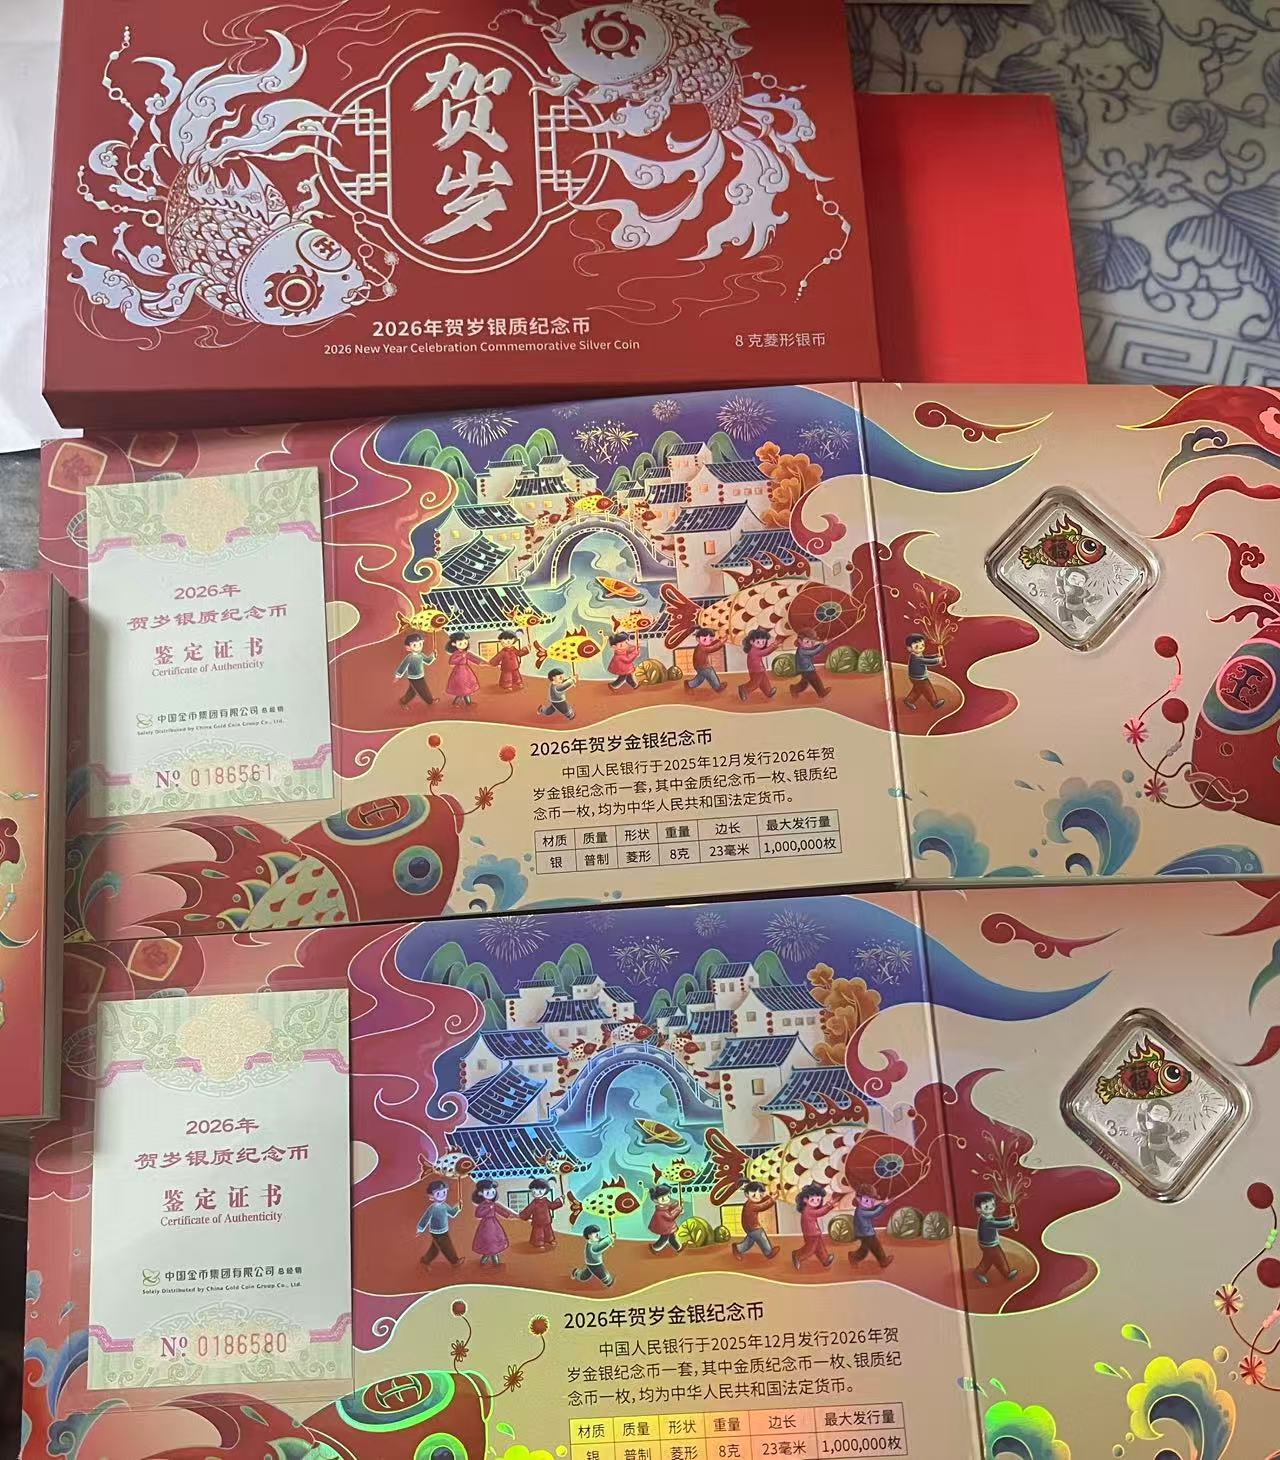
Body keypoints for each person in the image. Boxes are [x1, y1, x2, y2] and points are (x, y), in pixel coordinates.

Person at [973, 1191, 1020, 1285]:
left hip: (989, 1244)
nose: (990, 1207)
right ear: (978, 1209)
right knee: (998, 1256)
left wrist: (1008, 1217)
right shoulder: (986, 1221)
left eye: (992, 1204)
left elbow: (996, 1220)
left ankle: (979, 1272)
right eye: (986, 1206)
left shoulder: (987, 1217)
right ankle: (1006, 1274)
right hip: (989, 1245)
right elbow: (997, 1224)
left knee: (989, 1259)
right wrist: (1010, 1222)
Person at [471, 1179, 518, 1268]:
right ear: (480, 1193)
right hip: (486, 1226)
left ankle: (494, 1261)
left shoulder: (493, 1204)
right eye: (488, 1192)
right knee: (489, 1242)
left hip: (494, 1224)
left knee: (495, 1241)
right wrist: (489, 1208)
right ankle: (487, 1261)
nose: (491, 1194)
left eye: (493, 1192)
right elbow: (478, 1214)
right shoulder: (482, 1205)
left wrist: (508, 1216)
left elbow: (500, 1211)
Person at [1135, 1101, 1189, 1178]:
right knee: (1147, 1157)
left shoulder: (1167, 1127)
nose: (1161, 1116)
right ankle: (1151, 1168)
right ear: (1149, 1113)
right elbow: (1141, 1122)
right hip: (1146, 1145)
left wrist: (1179, 1136)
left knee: (1166, 1154)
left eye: (1165, 1114)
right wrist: (1142, 1111)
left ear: (1168, 1118)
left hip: (1161, 1145)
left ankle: (1173, 1161)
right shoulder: (1147, 1124)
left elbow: (1173, 1134)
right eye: (1157, 1111)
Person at [416, 1178, 462, 1269]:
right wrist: (420, 1228)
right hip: (436, 1232)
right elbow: (426, 1218)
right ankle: (455, 1261)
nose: (442, 1195)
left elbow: (452, 1213)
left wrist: (458, 1207)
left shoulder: (445, 1205)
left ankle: (425, 1261)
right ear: (431, 1196)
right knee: (447, 1246)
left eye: (444, 1192)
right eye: (438, 1193)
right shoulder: (432, 1208)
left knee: (435, 1248)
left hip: (444, 1230)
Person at [792, 1182, 838, 1269]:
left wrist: (830, 1204)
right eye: (813, 1200)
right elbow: (820, 1212)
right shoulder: (808, 1211)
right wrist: (829, 1206)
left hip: (815, 1232)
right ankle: (797, 1255)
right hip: (811, 1234)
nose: (816, 1202)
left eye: (818, 1200)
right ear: (805, 1200)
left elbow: (820, 1210)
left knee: (819, 1247)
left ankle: (825, 1260)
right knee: (810, 1249)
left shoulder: (810, 1208)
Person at [848, 1185, 893, 1269]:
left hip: (864, 1233)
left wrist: (883, 1203)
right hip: (866, 1234)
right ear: (858, 1199)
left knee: (865, 1249)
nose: (870, 1203)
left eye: (872, 1201)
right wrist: (883, 1205)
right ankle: (883, 1261)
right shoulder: (861, 1212)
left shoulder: (862, 1208)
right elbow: (874, 1213)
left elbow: (874, 1208)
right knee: (876, 1247)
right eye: (867, 1200)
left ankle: (853, 1256)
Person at [733, 1179, 777, 1260]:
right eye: (754, 1194)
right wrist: (772, 1200)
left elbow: (761, 1201)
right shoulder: (751, 1205)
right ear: (746, 1194)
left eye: (760, 1194)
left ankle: (738, 1248)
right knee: (761, 1237)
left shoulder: (751, 1202)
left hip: (749, 1227)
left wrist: (769, 1197)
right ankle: (768, 1253)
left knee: (749, 1241)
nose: (757, 1196)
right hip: (753, 1227)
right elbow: (762, 1206)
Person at [903, 633, 945, 711]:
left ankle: (908, 701)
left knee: (917, 690)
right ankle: (934, 703)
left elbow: (925, 658)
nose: (921, 647)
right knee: (928, 689)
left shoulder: (917, 655)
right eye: (917, 646)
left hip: (916, 677)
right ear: (909, 648)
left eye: (922, 645)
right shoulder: (916, 658)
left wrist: (935, 656)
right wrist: (937, 660)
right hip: (919, 678)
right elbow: (927, 661)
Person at [394, 632, 435, 708]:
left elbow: (428, 661)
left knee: (413, 691)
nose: (418, 647)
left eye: (420, 644)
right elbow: (403, 666)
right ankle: (430, 701)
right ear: (408, 648)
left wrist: (433, 656)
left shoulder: (421, 655)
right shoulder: (409, 657)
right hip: (413, 677)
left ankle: (403, 701)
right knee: (423, 689)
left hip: (420, 676)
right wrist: (398, 675)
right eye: (415, 645)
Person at [521, 1177, 563, 1250]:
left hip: (546, 1220)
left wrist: (560, 1200)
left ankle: (549, 1240)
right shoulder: (534, 1203)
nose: (536, 1193)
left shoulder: (546, 1201)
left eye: (540, 1191)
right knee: (538, 1233)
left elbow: (552, 1206)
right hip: (538, 1221)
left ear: (545, 1190)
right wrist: (523, 1215)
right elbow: (528, 1210)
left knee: (548, 1231)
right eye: (534, 1191)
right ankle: (538, 1243)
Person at [445, 632, 486, 708]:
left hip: (467, 672)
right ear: (454, 644)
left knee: (467, 689)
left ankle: (468, 703)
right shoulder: (455, 653)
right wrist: (461, 657)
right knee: (461, 690)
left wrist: (481, 663)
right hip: (459, 673)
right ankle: (456, 703)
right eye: (460, 643)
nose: (463, 645)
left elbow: (473, 659)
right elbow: (451, 662)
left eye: (465, 643)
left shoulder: (466, 653)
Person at [685, 625, 728, 694]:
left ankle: (689, 684)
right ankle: (717, 687)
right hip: (703, 666)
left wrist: (719, 641)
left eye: (710, 639)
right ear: (698, 639)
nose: (708, 641)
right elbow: (712, 648)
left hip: (700, 666)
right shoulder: (702, 648)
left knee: (700, 678)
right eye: (705, 639)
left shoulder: (702, 645)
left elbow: (711, 644)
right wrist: (721, 642)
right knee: (711, 674)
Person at [739, 627, 778, 701]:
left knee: (764, 681)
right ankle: (744, 688)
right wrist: (773, 646)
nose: (761, 644)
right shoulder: (753, 651)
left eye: (763, 642)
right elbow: (765, 652)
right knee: (755, 683)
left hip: (760, 669)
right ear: (751, 642)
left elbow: (765, 651)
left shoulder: (757, 649)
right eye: (758, 642)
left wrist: (773, 646)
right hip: (755, 670)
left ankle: (768, 691)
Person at [647, 1183, 684, 1253]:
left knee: (671, 1238)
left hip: (668, 1227)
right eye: (663, 1198)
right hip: (665, 1228)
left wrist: (678, 1205)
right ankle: (655, 1248)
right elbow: (671, 1217)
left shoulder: (664, 1207)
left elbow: (670, 1209)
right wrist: (678, 1210)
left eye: (668, 1196)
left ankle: (678, 1248)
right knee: (664, 1239)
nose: (666, 1199)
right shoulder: (660, 1211)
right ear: (655, 1200)